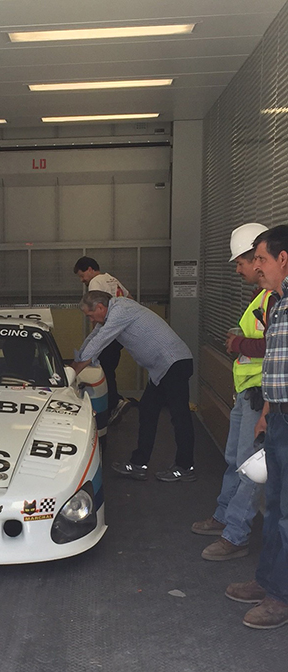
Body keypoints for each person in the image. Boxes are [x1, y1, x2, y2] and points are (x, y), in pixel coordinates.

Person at [192, 223, 273, 561]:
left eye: (241, 262)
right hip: (246, 393)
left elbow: (276, 347)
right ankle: (225, 515)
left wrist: (239, 342)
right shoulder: (263, 296)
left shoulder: (274, 298)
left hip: (260, 395)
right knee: (234, 462)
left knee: (250, 467)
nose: (239, 270)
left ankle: (236, 534)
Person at [225, 224, 288, 629]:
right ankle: (269, 582)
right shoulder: (278, 304)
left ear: (283, 259)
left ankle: (280, 597)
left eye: (261, 258)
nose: (257, 266)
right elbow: (277, 363)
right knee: (276, 507)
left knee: (287, 515)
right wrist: (268, 409)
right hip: (279, 415)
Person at [73, 290, 195, 481]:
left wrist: (73, 372)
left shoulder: (121, 311)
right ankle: (139, 464)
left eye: (90, 315)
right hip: (161, 369)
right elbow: (92, 338)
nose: (91, 320)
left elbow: (100, 341)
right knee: (147, 411)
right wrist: (76, 362)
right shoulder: (111, 313)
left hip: (174, 364)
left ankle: (185, 467)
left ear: (100, 307)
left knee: (180, 417)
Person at [73, 257, 132, 424]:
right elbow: (130, 298)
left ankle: (114, 403)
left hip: (108, 333)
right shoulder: (112, 279)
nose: (82, 280)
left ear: (90, 269)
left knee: (103, 371)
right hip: (119, 334)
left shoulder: (96, 282)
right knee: (109, 368)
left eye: (82, 275)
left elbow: (95, 309)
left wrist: (96, 340)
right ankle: (115, 402)